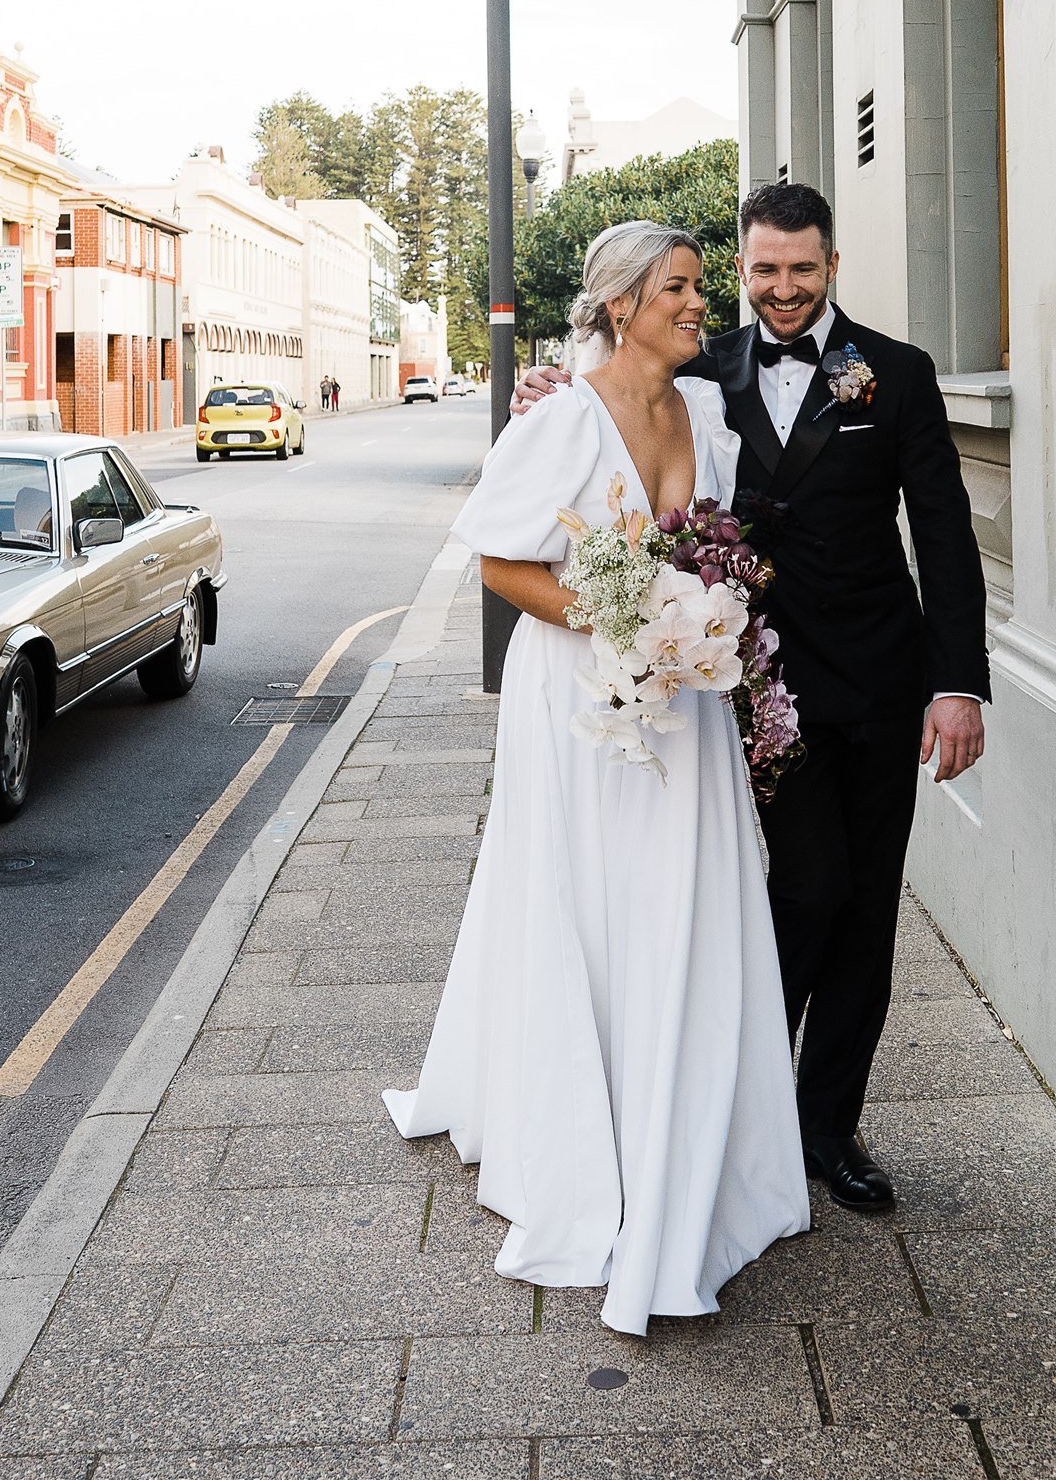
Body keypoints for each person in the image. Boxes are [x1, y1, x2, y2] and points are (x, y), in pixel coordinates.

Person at [514, 182, 989, 1214]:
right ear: (741, 268)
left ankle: (826, 1127)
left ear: (830, 265)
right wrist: (553, 387)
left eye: (802, 268)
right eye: (764, 269)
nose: (782, 289)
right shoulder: (700, 366)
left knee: (867, 910)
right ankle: (740, 1095)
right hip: (748, 687)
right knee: (805, 886)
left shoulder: (895, 374)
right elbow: (613, 408)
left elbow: (945, 534)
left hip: (876, 678)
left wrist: (956, 684)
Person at [383, 221, 808, 1336]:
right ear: (619, 302)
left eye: (699, 287)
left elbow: (717, 544)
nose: (696, 305)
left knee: (685, 900)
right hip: (577, 697)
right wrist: (626, 618)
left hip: (686, 701)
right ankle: (582, 1142)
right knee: (586, 898)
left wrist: (695, 621)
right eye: (677, 287)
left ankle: (692, 1135)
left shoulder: (706, 411)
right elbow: (502, 560)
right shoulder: (562, 419)